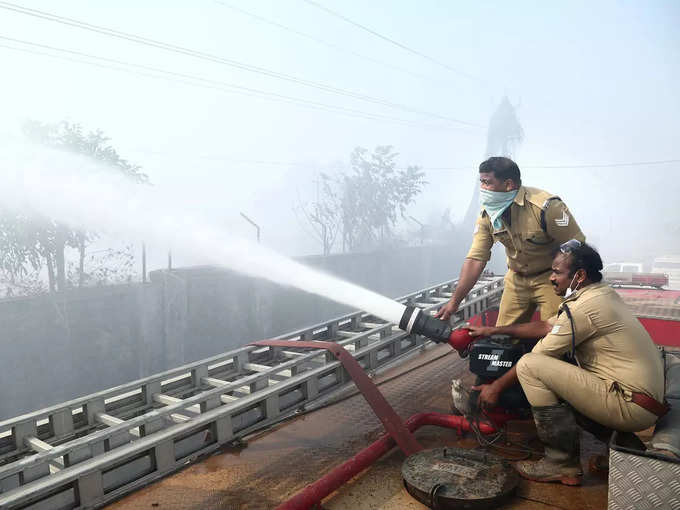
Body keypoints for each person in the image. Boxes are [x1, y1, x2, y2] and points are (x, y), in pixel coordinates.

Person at [468, 240, 667, 486]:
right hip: (642, 401)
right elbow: (546, 325)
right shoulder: (599, 294)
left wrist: (495, 387)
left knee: (531, 365)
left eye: (557, 272)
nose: (551, 278)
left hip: (630, 405)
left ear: (580, 275)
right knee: (567, 378)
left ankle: (561, 463)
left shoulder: (584, 309)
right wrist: (492, 330)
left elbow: (536, 360)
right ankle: (628, 452)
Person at [436, 157, 585, 326]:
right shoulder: (488, 216)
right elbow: (475, 260)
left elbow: (577, 246)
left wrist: (572, 285)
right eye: (481, 182)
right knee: (502, 336)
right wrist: (454, 302)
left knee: (558, 334)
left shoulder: (546, 208)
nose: (482, 189)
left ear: (508, 184)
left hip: (550, 278)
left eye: (487, 183)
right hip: (516, 279)